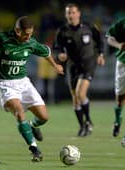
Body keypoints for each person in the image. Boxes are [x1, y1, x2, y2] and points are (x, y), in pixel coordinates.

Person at [0, 16, 64, 162]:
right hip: (5, 84)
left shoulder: (30, 43)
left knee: (44, 117)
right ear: (17, 31)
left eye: (31, 34)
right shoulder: (2, 38)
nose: (28, 37)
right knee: (19, 113)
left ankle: (31, 126)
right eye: (26, 34)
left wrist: (55, 65)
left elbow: (46, 52)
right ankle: (34, 149)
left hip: (24, 83)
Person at [53, 3, 105, 137]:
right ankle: (82, 126)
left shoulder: (89, 26)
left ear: (79, 13)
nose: (71, 15)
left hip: (88, 63)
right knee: (75, 99)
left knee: (81, 94)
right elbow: (57, 48)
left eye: (73, 12)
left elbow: (100, 40)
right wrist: (60, 55)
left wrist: (100, 54)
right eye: (68, 13)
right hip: (72, 65)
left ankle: (88, 121)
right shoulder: (62, 31)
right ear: (66, 15)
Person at [106, 18, 125, 139]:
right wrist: (119, 45)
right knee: (120, 97)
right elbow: (109, 38)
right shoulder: (122, 24)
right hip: (123, 63)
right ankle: (117, 121)